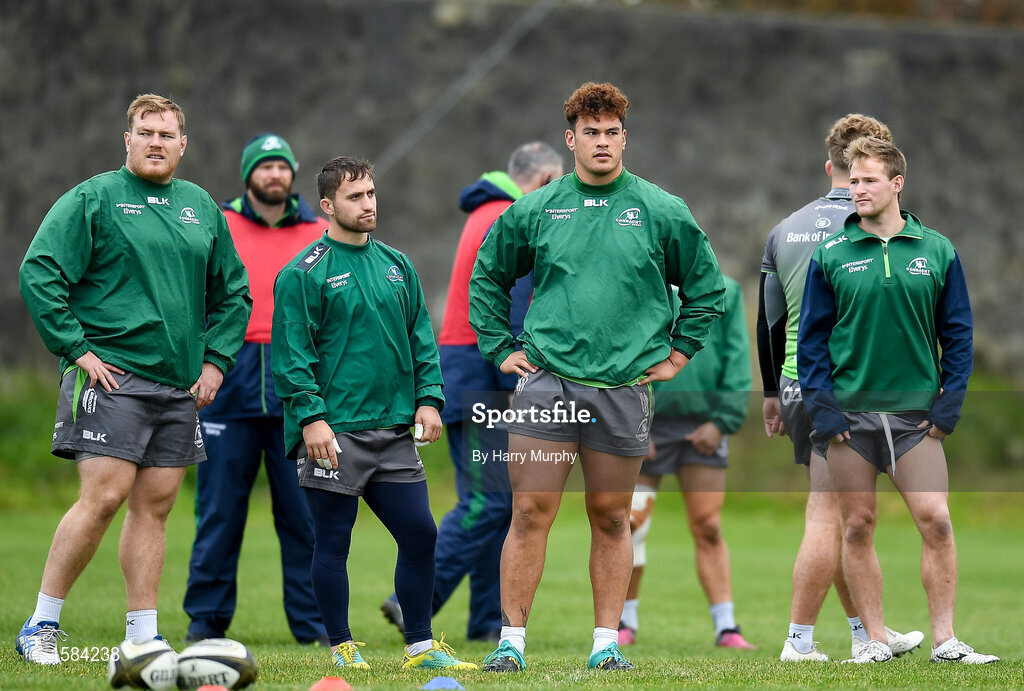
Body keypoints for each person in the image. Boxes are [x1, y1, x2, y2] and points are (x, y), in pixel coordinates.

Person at [469, 82, 725, 672]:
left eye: (612, 133)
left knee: (611, 515)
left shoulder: (661, 209)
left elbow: (707, 288)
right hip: (547, 380)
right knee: (531, 511)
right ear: (572, 139)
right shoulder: (537, 208)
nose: (602, 142)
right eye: (591, 133)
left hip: (623, 388)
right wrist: (500, 347)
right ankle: (511, 645)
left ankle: (606, 647)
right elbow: (488, 275)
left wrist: (679, 353)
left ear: (624, 138)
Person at [16, 94, 251, 664]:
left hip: (178, 386)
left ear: (183, 144)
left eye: (166, 134)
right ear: (127, 139)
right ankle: (40, 626)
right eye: (145, 132)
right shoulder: (94, 198)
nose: (155, 142)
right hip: (111, 378)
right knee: (104, 497)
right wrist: (76, 349)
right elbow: (39, 272)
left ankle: (142, 635)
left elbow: (234, 293)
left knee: (157, 505)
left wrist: (216, 362)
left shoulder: (200, 206)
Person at [271, 156, 476, 671]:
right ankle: (341, 647)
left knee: (421, 534)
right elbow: (292, 356)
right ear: (327, 206)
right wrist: (312, 418)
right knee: (333, 540)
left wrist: (430, 398)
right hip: (334, 434)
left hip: (393, 433)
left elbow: (421, 339)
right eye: (355, 196)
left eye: (371, 193)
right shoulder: (302, 274)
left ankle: (420, 648)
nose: (368, 204)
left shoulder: (397, 265)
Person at [798, 136, 998, 665]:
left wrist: (948, 406)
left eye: (867, 180)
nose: (856, 189)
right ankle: (876, 643)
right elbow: (812, 341)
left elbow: (958, 334)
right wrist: (824, 410)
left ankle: (946, 641)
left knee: (936, 519)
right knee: (858, 525)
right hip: (848, 418)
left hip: (916, 420)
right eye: (852, 179)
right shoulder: (831, 253)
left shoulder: (937, 250)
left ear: (896, 184)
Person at [381, 142, 564, 642]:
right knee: (488, 501)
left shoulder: (486, 209)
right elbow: (515, 313)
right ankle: (413, 598)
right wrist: (531, 385)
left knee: (500, 506)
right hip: (483, 373)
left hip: (470, 368)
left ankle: (488, 619)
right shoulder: (513, 217)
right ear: (546, 178)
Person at [758, 114, 924, 662]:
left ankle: (866, 635)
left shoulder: (786, 229)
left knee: (848, 517)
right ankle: (799, 640)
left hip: (794, 385)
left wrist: (769, 393)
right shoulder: (874, 225)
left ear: (827, 163)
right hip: (847, 389)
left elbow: (770, 322)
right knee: (832, 516)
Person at [183, 134, 327, 646]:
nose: (274, 175)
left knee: (305, 515)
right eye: (264, 166)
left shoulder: (320, 230)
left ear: (293, 175)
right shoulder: (218, 224)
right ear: (248, 176)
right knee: (219, 511)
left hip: (298, 390)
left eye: (282, 166)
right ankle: (205, 621)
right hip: (229, 384)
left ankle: (314, 628)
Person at [621, 276, 754, 650]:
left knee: (708, 525)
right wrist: (635, 422)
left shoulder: (724, 288)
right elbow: (625, 352)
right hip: (649, 423)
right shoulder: (640, 285)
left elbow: (737, 356)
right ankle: (624, 622)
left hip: (704, 428)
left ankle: (726, 627)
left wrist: (722, 421)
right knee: (633, 524)